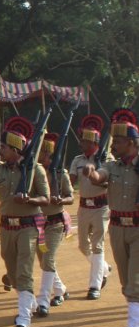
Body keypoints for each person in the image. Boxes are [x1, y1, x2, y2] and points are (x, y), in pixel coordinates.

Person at [0, 116, 49, 327]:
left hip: (28, 227)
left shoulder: (35, 169)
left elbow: (46, 199)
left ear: (16, 149)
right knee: (12, 271)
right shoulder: (0, 169)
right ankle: (29, 303)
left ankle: (23, 320)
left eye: (4, 148)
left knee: (24, 271)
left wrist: (28, 200)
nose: (0, 151)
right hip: (6, 227)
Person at [82, 108, 139, 327]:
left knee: (135, 281)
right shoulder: (112, 166)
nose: (114, 145)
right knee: (127, 281)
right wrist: (91, 173)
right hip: (117, 227)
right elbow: (99, 176)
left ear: (132, 143)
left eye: (118, 141)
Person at [68, 114, 114, 300]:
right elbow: (70, 181)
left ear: (94, 141)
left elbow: (108, 183)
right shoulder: (78, 160)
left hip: (102, 207)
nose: (81, 143)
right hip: (83, 206)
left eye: (85, 140)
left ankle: (94, 285)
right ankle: (103, 267)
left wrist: (96, 173)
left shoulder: (106, 159)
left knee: (97, 245)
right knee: (82, 245)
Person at [34, 133, 73, 317]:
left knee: (48, 259)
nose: (40, 155)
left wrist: (60, 199)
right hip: (38, 222)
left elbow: (70, 197)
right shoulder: (36, 171)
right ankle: (60, 290)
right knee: (43, 261)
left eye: (43, 152)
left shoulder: (61, 173)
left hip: (55, 222)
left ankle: (43, 301)